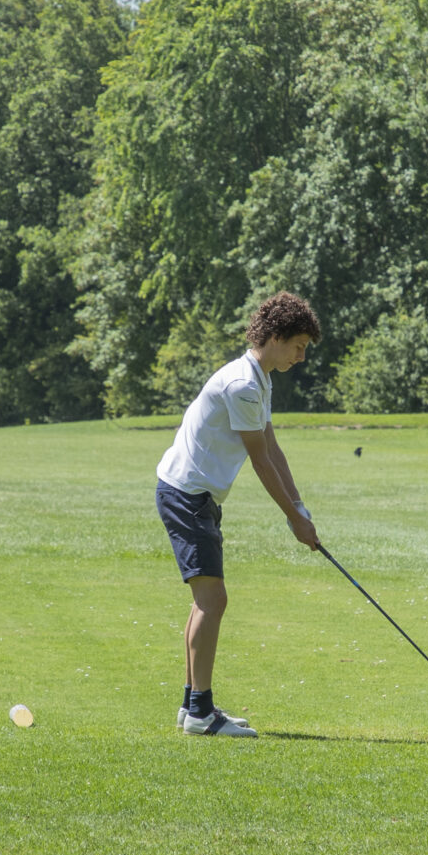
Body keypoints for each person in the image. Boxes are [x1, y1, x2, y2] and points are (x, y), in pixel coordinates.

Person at [154, 291, 323, 737]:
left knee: (206, 601)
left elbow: (273, 447)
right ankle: (200, 715)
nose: (302, 357)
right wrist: (293, 519)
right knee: (213, 601)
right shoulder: (243, 384)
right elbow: (260, 461)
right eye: (299, 346)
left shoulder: (259, 378)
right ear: (276, 336)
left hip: (195, 496)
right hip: (187, 495)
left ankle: (194, 705)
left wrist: (300, 509)